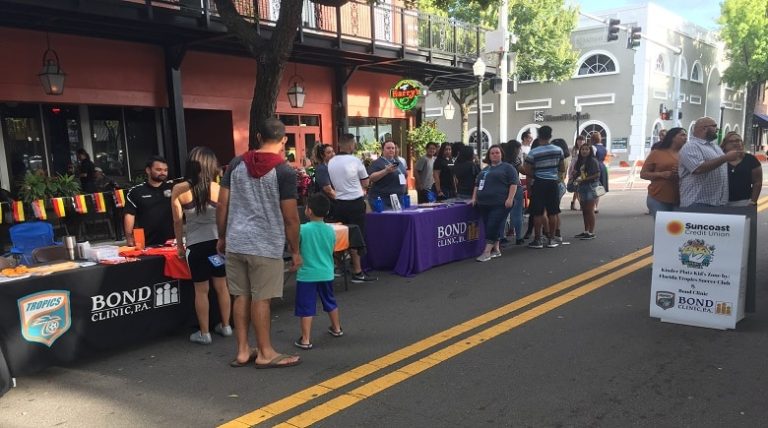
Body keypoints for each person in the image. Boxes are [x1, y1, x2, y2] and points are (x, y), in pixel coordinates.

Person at [216, 118, 302, 369]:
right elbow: (290, 217)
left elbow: (222, 204)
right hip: (265, 244)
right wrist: (295, 250)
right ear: (284, 139)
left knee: (240, 296)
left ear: (257, 136)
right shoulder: (284, 171)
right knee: (261, 298)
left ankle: (243, 350)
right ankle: (265, 352)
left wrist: (222, 236)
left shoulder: (236, 164)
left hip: (236, 241)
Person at [171, 147, 232, 345]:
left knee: (201, 290)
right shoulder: (219, 188)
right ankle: (226, 326)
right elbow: (227, 217)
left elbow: (177, 222)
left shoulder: (179, 189)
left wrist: (180, 246)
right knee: (222, 287)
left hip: (195, 247)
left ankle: (204, 333)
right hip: (218, 245)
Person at [293, 193, 343, 350]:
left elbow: (294, 247)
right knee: (330, 300)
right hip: (326, 272)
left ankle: (306, 339)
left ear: (308, 211)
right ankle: (336, 328)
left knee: (306, 306)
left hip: (307, 274)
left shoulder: (302, 229)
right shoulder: (330, 230)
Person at [328, 133, 378, 283]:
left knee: (341, 235)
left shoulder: (331, 162)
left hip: (339, 202)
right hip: (355, 202)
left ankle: (339, 267)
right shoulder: (355, 161)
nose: (355, 146)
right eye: (354, 144)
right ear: (350, 145)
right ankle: (357, 271)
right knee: (356, 236)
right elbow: (365, 183)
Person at [678, 117, 742, 208]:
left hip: (717, 202)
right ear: (704, 128)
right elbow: (698, 168)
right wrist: (725, 158)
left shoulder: (714, 147)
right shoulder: (691, 146)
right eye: (714, 126)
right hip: (697, 202)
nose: (717, 129)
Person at [472, 145, 518, 262]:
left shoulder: (508, 168)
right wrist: (474, 198)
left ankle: (487, 252)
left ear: (501, 154)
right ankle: (496, 250)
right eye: (492, 153)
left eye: (497, 152)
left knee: (492, 225)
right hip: (484, 203)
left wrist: (510, 198)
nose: (495, 155)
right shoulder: (485, 170)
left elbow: (513, 184)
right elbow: (477, 185)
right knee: (490, 226)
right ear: (489, 155)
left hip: (500, 203)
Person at [524, 125, 565, 249]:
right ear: (550, 136)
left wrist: (536, 174)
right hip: (553, 183)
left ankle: (537, 240)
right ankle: (551, 239)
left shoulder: (533, 152)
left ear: (539, 136)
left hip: (539, 183)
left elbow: (527, 170)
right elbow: (562, 168)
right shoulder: (558, 150)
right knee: (553, 212)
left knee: (538, 212)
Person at [124, 156, 174, 247]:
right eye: (159, 170)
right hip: (145, 243)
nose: (163, 173)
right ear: (148, 170)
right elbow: (129, 215)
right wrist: (129, 238)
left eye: (165, 170)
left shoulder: (174, 188)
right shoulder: (136, 192)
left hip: (172, 242)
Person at [640, 127, 687, 216]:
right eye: (682, 135)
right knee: (663, 228)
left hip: (682, 198)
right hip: (659, 197)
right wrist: (661, 174)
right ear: (672, 137)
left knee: (677, 228)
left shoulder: (688, 153)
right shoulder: (657, 153)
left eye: (686, 135)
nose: (686, 137)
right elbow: (643, 174)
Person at [721, 131, 762, 206]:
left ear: (742, 143)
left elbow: (757, 182)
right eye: (731, 141)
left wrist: (753, 201)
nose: (735, 143)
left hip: (744, 201)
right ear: (725, 144)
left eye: (738, 140)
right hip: (720, 201)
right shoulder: (719, 159)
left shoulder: (751, 159)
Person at [570, 144, 601, 239]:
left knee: (590, 210)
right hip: (582, 186)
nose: (584, 151)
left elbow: (597, 174)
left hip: (591, 186)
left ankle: (591, 232)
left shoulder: (593, 161)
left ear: (590, 151)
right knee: (584, 210)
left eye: (586, 149)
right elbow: (576, 172)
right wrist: (575, 175)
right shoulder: (579, 161)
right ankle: (586, 230)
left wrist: (585, 179)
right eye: (582, 149)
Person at [368, 140, 407, 208]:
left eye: (393, 148)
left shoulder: (398, 162)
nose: (391, 150)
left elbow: (404, 176)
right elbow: (371, 178)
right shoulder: (377, 163)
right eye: (388, 148)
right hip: (383, 200)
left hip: (398, 199)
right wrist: (386, 171)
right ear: (383, 150)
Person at [504, 140, 526, 244]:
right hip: (516, 187)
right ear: (515, 149)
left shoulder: (502, 159)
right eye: (518, 148)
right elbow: (523, 171)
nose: (519, 151)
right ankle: (519, 238)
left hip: (503, 187)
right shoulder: (515, 159)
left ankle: (501, 237)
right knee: (517, 213)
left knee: (502, 214)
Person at [312, 143, 336, 219]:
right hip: (327, 205)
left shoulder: (331, 167)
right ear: (322, 156)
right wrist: (341, 200)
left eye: (333, 151)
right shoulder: (322, 169)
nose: (332, 154)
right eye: (328, 153)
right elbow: (328, 190)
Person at [591, 133, 609, 213]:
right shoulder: (604, 148)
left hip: (595, 167)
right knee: (599, 187)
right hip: (602, 166)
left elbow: (591, 158)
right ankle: (596, 206)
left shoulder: (593, 147)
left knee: (594, 185)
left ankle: (593, 206)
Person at [569, 136, 587, 211]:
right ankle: (581, 204)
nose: (580, 142)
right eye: (579, 140)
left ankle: (573, 203)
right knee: (576, 187)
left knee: (577, 187)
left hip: (581, 169)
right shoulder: (573, 149)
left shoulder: (586, 148)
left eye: (582, 140)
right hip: (574, 169)